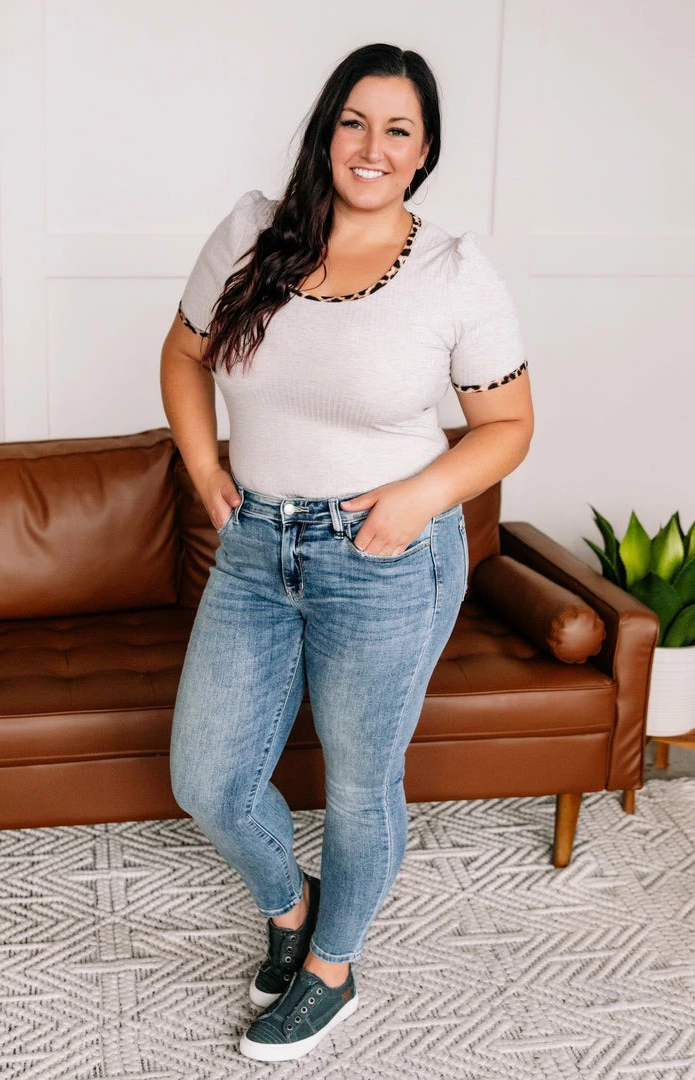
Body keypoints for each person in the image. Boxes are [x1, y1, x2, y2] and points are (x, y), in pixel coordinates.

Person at [160, 42, 534, 1063]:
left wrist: (419, 498)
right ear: (327, 131)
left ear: (424, 152)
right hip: (256, 544)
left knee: (363, 785)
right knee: (208, 778)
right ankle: (293, 910)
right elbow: (184, 353)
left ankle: (332, 969)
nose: (373, 146)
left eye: (398, 129)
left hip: (387, 556)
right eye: (354, 122)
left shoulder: (455, 273)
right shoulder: (253, 233)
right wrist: (204, 466)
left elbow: (509, 427)